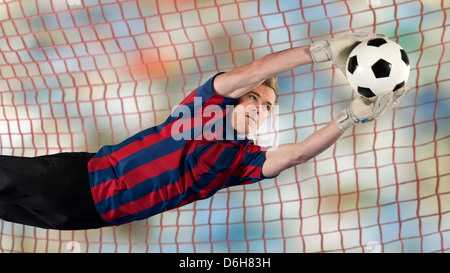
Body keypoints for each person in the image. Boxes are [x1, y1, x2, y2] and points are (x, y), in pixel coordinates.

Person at [0, 33, 409, 230]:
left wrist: (350, 117)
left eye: (268, 107)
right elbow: (254, 71)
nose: (260, 108)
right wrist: (315, 53)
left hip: (90, 216)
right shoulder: (204, 107)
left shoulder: (243, 161)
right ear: (238, 99)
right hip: (79, 178)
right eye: (254, 99)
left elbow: (297, 154)